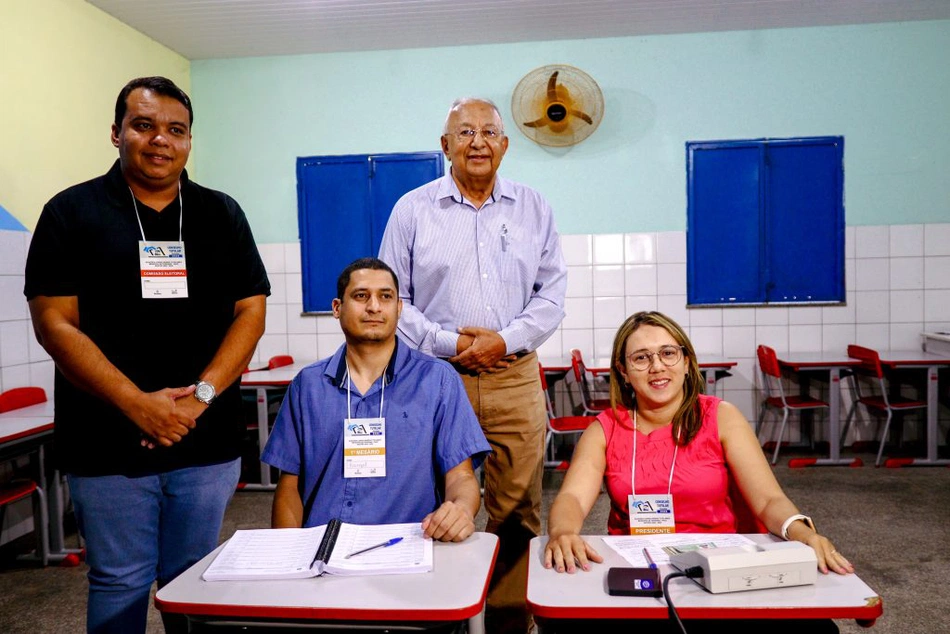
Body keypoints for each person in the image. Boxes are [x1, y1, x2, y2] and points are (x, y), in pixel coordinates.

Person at [24, 76, 270, 634]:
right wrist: (137, 403)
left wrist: (199, 398)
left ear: (189, 141)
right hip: (105, 441)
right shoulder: (70, 213)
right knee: (120, 578)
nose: (160, 140)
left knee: (195, 577)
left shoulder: (220, 214)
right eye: (144, 125)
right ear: (116, 133)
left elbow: (250, 313)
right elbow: (54, 324)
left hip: (203, 438)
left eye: (176, 130)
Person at [378, 97, 567, 633]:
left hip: (514, 377)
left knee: (517, 511)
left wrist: (503, 341)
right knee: (433, 502)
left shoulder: (535, 208)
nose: (478, 141)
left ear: (505, 145)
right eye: (464, 133)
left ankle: (509, 621)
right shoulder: (412, 209)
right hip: (435, 378)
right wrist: (445, 341)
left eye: (489, 132)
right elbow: (392, 296)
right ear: (445, 146)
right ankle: (432, 620)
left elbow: (550, 296)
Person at [543, 311, 853, 633]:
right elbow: (572, 498)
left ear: (687, 361)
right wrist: (563, 532)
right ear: (622, 371)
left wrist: (804, 533)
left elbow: (769, 500)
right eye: (641, 358)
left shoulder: (722, 417)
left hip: (719, 569)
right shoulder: (605, 428)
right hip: (638, 570)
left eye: (668, 353)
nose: (657, 366)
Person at [261, 257, 491, 541]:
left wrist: (461, 509)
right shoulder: (307, 386)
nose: (374, 306)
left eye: (385, 296)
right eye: (360, 296)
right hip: (322, 547)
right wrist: (288, 555)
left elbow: (460, 477)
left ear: (399, 308)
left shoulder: (438, 381)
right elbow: (289, 487)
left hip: (409, 545)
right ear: (337, 308)